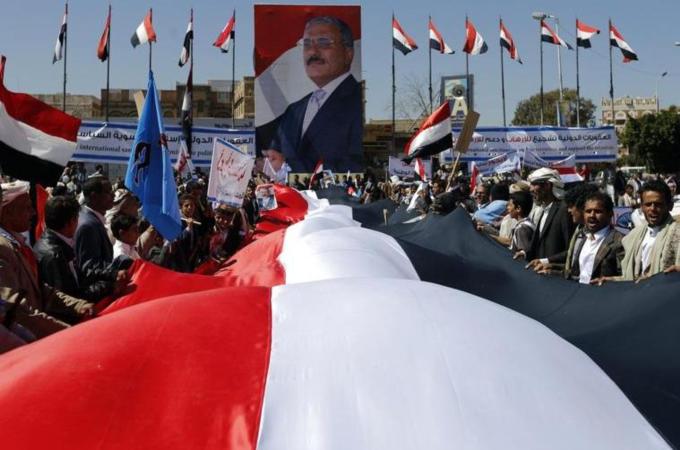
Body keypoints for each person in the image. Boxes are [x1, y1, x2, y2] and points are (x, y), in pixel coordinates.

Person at [264, 16, 362, 173]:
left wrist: (287, 167)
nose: (312, 51)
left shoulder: (357, 102)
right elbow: (275, 155)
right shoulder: (293, 111)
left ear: (348, 53)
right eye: (307, 44)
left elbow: (356, 165)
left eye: (324, 43)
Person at [0, 181, 92, 337]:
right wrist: (67, 332)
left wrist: (78, 305)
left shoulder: (18, 244)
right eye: (27, 208)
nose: (33, 213)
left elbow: (40, 289)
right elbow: (16, 309)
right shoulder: (3, 249)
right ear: (7, 212)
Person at [34, 195, 117, 317]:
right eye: (77, 218)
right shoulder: (55, 255)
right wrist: (109, 286)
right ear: (70, 222)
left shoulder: (56, 243)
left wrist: (111, 274)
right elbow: (71, 298)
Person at [601, 180, 680, 282]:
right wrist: (611, 281)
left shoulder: (676, 233)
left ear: (670, 206)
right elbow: (631, 279)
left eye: (658, 204)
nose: (652, 209)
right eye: (648, 204)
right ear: (641, 207)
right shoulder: (634, 236)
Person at [563, 191, 623, 284]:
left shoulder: (619, 241)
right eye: (588, 211)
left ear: (610, 214)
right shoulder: (583, 237)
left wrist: (609, 281)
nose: (592, 215)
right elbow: (574, 273)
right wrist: (550, 269)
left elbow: (625, 276)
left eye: (598, 211)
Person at [518, 168, 574, 262]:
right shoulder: (545, 209)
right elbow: (538, 243)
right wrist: (525, 253)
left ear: (547, 185)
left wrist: (547, 261)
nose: (531, 189)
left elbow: (571, 250)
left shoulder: (564, 210)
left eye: (534, 184)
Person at [75, 177, 114, 274]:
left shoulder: (90, 218)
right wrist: (116, 273)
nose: (113, 195)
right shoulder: (88, 226)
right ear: (94, 197)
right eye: (108, 192)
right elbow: (89, 268)